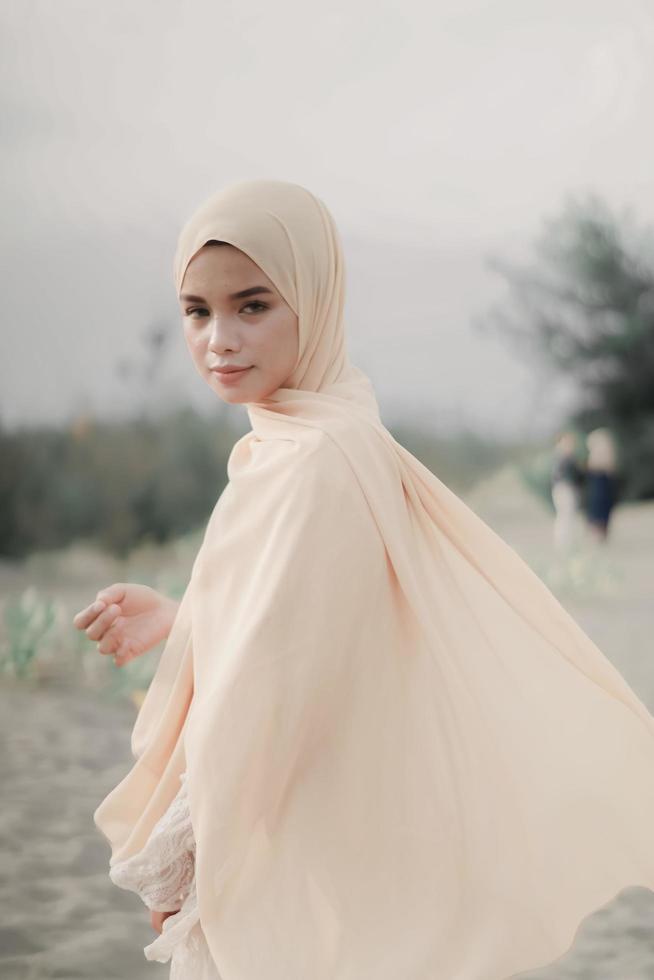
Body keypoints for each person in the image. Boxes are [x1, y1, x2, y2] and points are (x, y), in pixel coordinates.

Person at [77, 179, 654, 980]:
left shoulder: (316, 457)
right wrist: (189, 615)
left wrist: (184, 862)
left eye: (253, 305)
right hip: (334, 840)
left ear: (314, 300)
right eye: (197, 311)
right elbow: (311, 617)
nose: (219, 339)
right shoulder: (328, 425)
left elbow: (263, 693)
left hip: (287, 842)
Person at [550, 430, 585, 553]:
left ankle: (565, 543)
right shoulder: (563, 457)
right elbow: (572, 475)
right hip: (564, 489)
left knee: (567, 516)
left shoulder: (564, 457)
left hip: (565, 489)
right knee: (565, 515)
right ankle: (563, 543)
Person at [584, 426, 619, 543]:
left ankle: (599, 535)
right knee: (601, 511)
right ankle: (599, 535)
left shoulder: (596, 460)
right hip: (602, 492)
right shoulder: (605, 459)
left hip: (600, 492)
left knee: (600, 510)